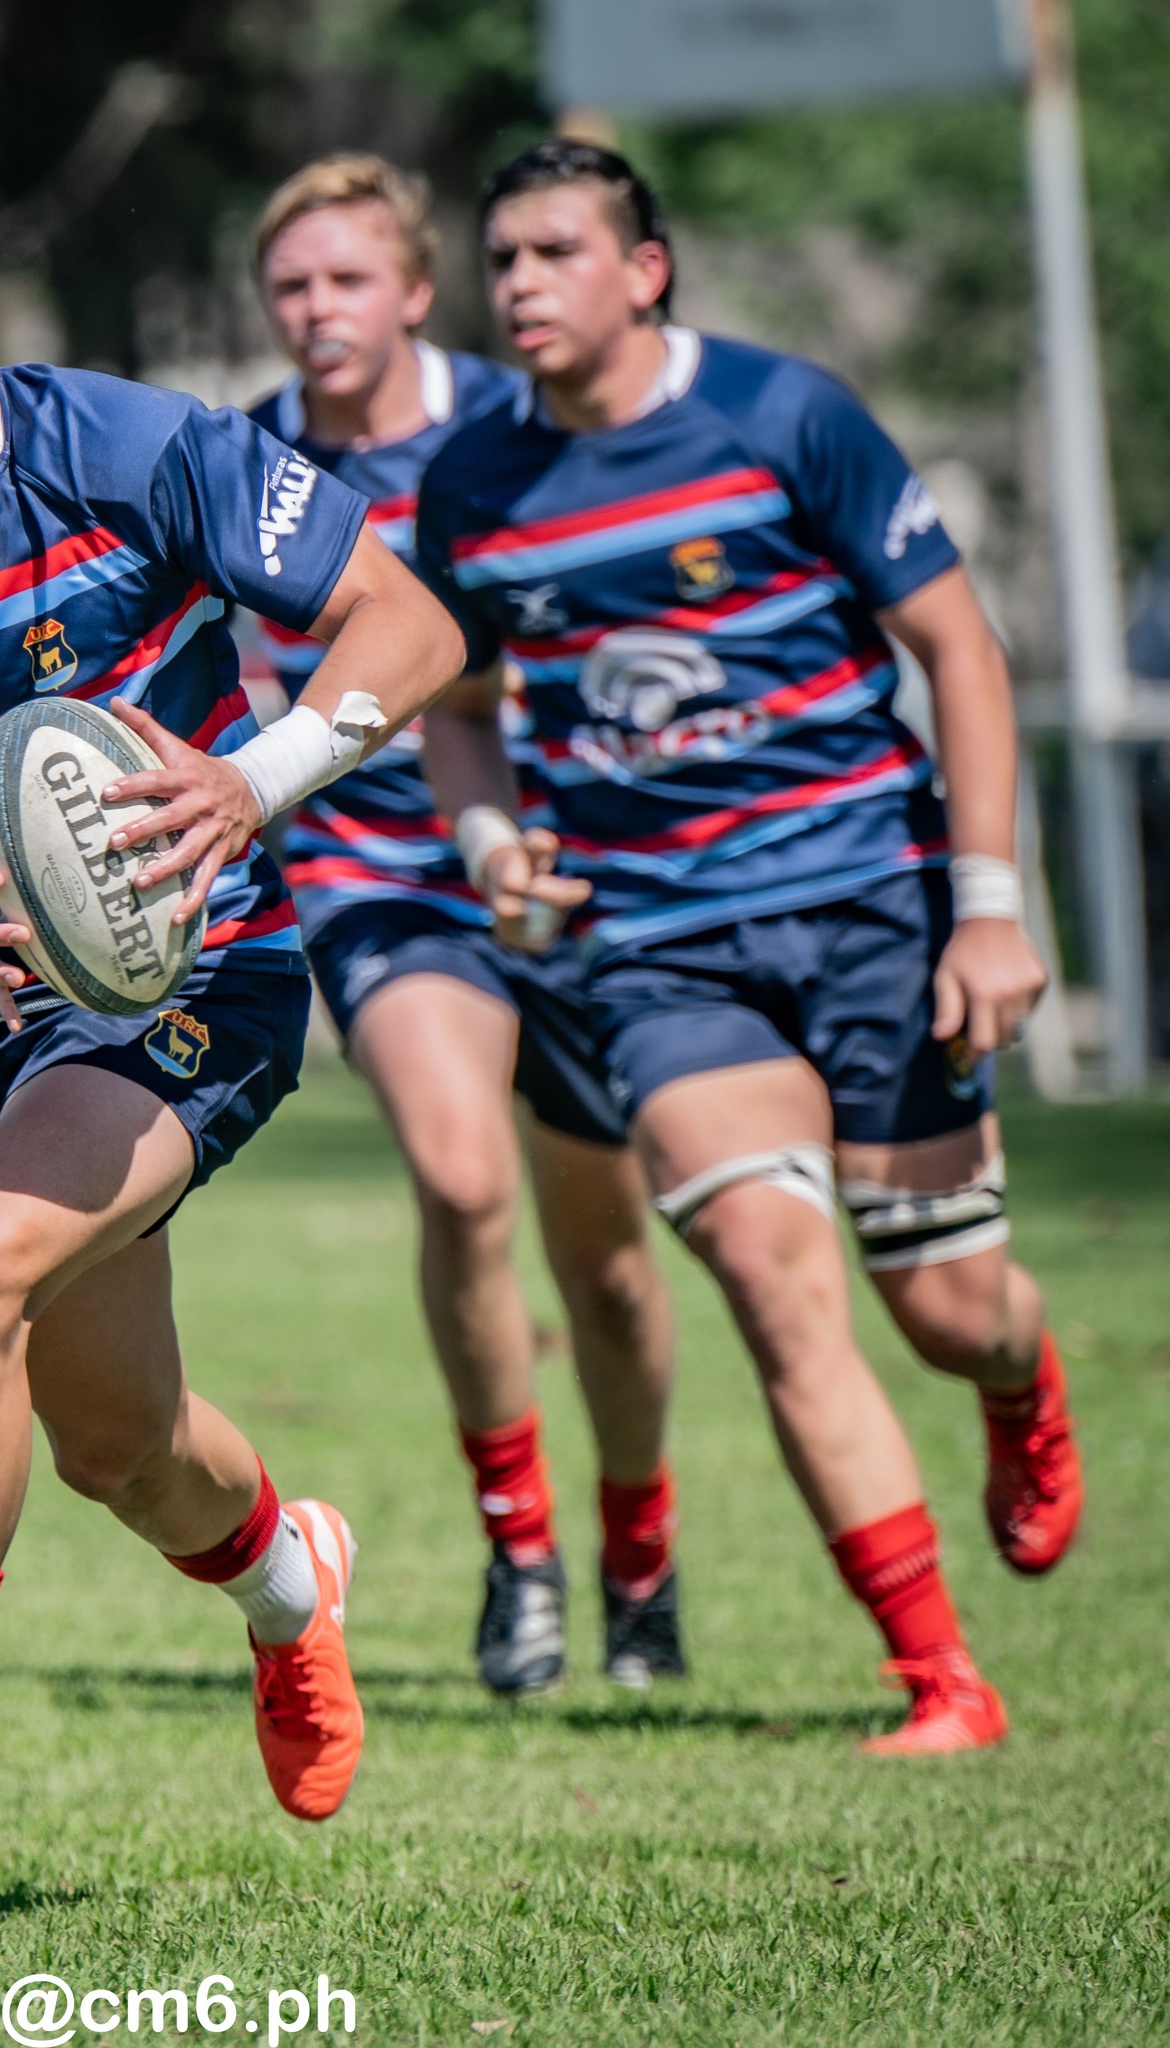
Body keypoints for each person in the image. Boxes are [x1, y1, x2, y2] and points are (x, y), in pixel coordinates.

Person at [0, 130, 467, 1898]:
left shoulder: (120, 449)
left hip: (202, 972)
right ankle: (292, 1580)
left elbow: (405, 627)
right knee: (117, 1438)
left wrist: (251, 783)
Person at [417, 138, 1084, 1756]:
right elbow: (455, 708)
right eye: (501, 257)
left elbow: (961, 657)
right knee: (776, 1283)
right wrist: (496, 845)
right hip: (656, 948)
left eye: (556, 251)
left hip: (872, 906)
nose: (519, 284)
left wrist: (988, 913)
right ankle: (938, 1678)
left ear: (643, 269)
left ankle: (1016, 1382)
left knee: (942, 1305)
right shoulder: (473, 483)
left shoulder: (788, 416)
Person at [247, 155, 683, 1697]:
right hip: (377, 880)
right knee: (456, 1176)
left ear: (415, 293)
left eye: (346, 281)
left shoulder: (516, 432)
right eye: (290, 287)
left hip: (564, 875)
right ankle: (522, 1557)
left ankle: (641, 1551)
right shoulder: (245, 461)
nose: (316, 313)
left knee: (611, 1264)